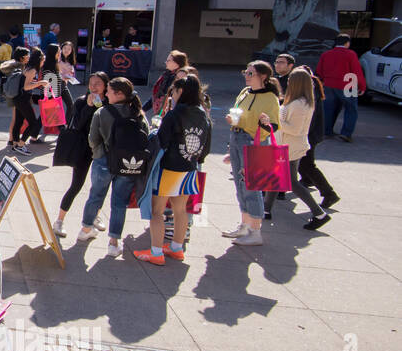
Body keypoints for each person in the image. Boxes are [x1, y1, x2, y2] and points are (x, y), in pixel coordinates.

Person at [133, 75, 211, 264]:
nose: (172, 95)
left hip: (169, 167)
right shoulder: (202, 113)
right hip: (190, 167)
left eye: (173, 91)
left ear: (180, 92)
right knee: (180, 209)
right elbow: (206, 147)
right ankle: (176, 248)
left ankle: (156, 252)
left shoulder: (175, 114)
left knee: (157, 211)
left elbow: (162, 140)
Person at [76, 76, 149, 256]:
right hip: (128, 164)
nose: (106, 93)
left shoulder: (102, 113)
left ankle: (86, 229)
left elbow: (93, 139)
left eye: (108, 90)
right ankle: (113, 242)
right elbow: (145, 136)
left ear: (119, 94)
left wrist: (100, 153)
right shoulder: (138, 113)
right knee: (119, 203)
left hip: (104, 161)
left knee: (95, 196)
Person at [258, 69, 332, 231]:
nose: (288, 82)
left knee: (290, 181)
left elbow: (295, 129)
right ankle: (266, 209)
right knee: (276, 177)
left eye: (291, 79)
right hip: (288, 145)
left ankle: (319, 214)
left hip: (290, 147)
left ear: (297, 83)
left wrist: (274, 119)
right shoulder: (299, 101)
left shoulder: (300, 104)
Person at [221, 61, 282, 246]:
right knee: (241, 186)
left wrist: (265, 122)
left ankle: (255, 231)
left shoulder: (270, 98)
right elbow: (239, 114)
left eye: (250, 73)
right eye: (245, 72)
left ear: (263, 76)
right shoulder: (245, 93)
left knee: (252, 187)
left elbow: (274, 125)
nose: (246, 76)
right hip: (237, 137)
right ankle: (245, 225)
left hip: (253, 142)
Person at [52, 71, 109, 238]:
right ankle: (59, 221)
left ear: (105, 85)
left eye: (98, 83)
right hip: (83, 150)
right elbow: (76, 125)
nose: (94, 87)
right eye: (91, 83)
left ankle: (96, 216)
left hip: (101, 151)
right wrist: (89, 107)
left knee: (100, 187)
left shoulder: (108, 103)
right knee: (76, 185)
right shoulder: (81, 102)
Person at [316, 34, 364, 143]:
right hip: (347, 85)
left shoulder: (326, 54)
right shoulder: (351, 54)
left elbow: (319, 71)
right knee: (351, 109)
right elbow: (356, 71)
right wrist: (361, 86)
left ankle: (326, 131)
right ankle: (346, 133)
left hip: (329, 84)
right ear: (347, 43)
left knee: (328, 108)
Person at [8, 47, 47, 155]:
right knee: (33, 123)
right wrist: (40, 83)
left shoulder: (28, 68)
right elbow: (26, 87)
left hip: (19, 98)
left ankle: (15, 144)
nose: (44, 62)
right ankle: (21, 144)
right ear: (39, 60)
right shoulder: (32, 70)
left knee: (19, 121)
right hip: (22, 99)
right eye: (43, 60)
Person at [150, 50, 189, 115]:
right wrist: (143, 109)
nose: (166, 62)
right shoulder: (166, 75)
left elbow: (167, 97)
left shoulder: (177, 78)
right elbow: (157, 95)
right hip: (162, 111)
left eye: (168, 61)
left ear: (176, 64)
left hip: (170, 113)